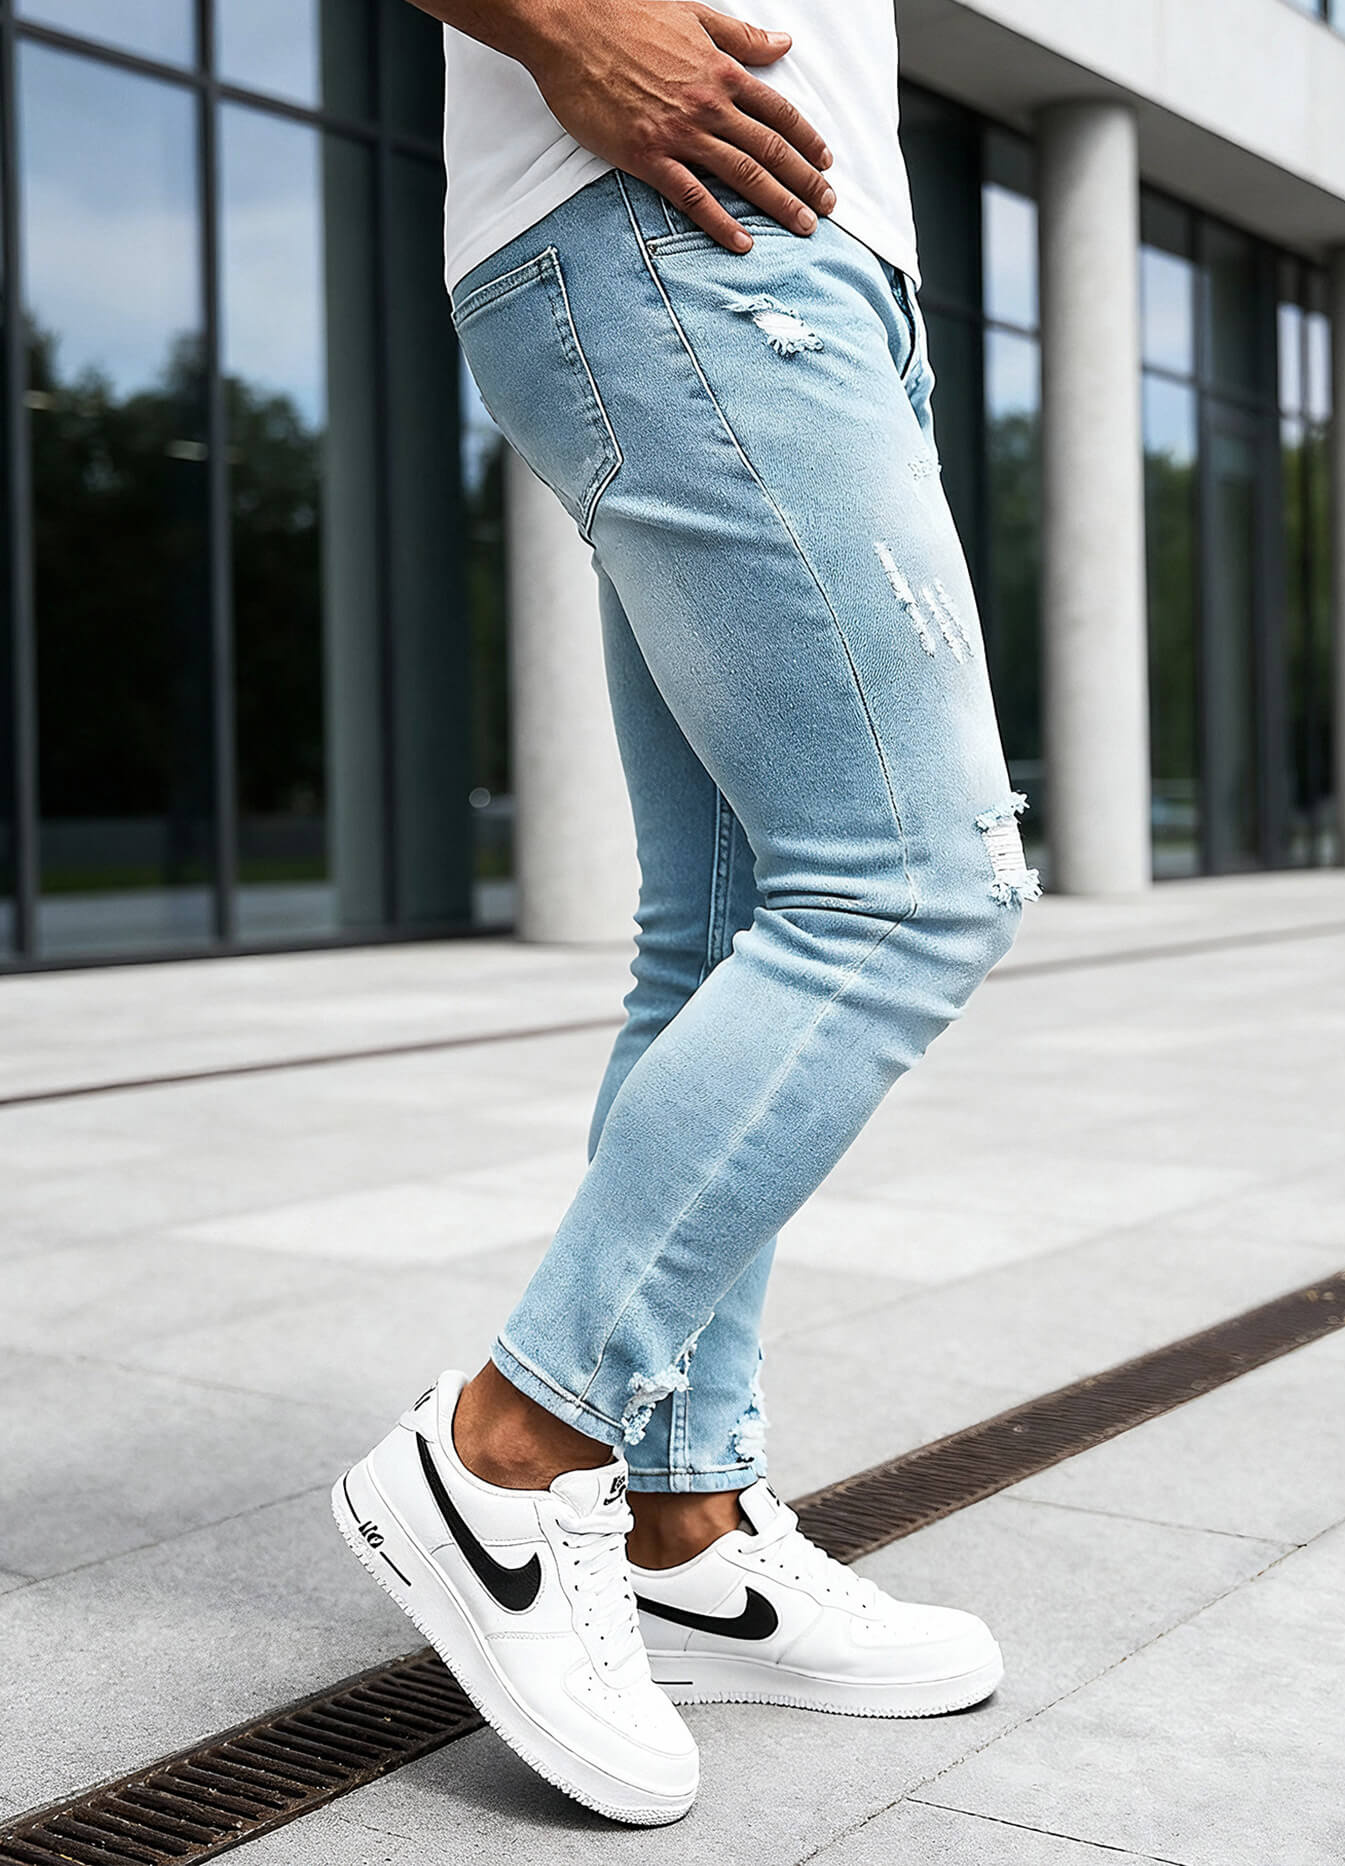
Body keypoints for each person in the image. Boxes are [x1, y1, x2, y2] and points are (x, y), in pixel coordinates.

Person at [332, 0, 1038, 1826]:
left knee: (728, 930)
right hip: (674, 225)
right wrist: (562, 22)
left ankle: (683, 1526)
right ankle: (508, 1451)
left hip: (787, 257)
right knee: (911, 883)